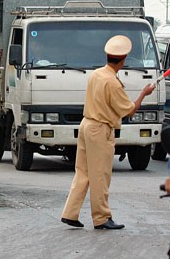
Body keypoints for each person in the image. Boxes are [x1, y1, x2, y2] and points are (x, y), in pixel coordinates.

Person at [61, 35, 155, 230]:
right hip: (100, 129)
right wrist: (143, 95)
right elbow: (129, 110)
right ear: (123, 59)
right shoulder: (112, 82)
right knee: (100, 175)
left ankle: (70, 213)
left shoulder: (96, 74)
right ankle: (101, 217)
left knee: (82, 173)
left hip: (86, 124)